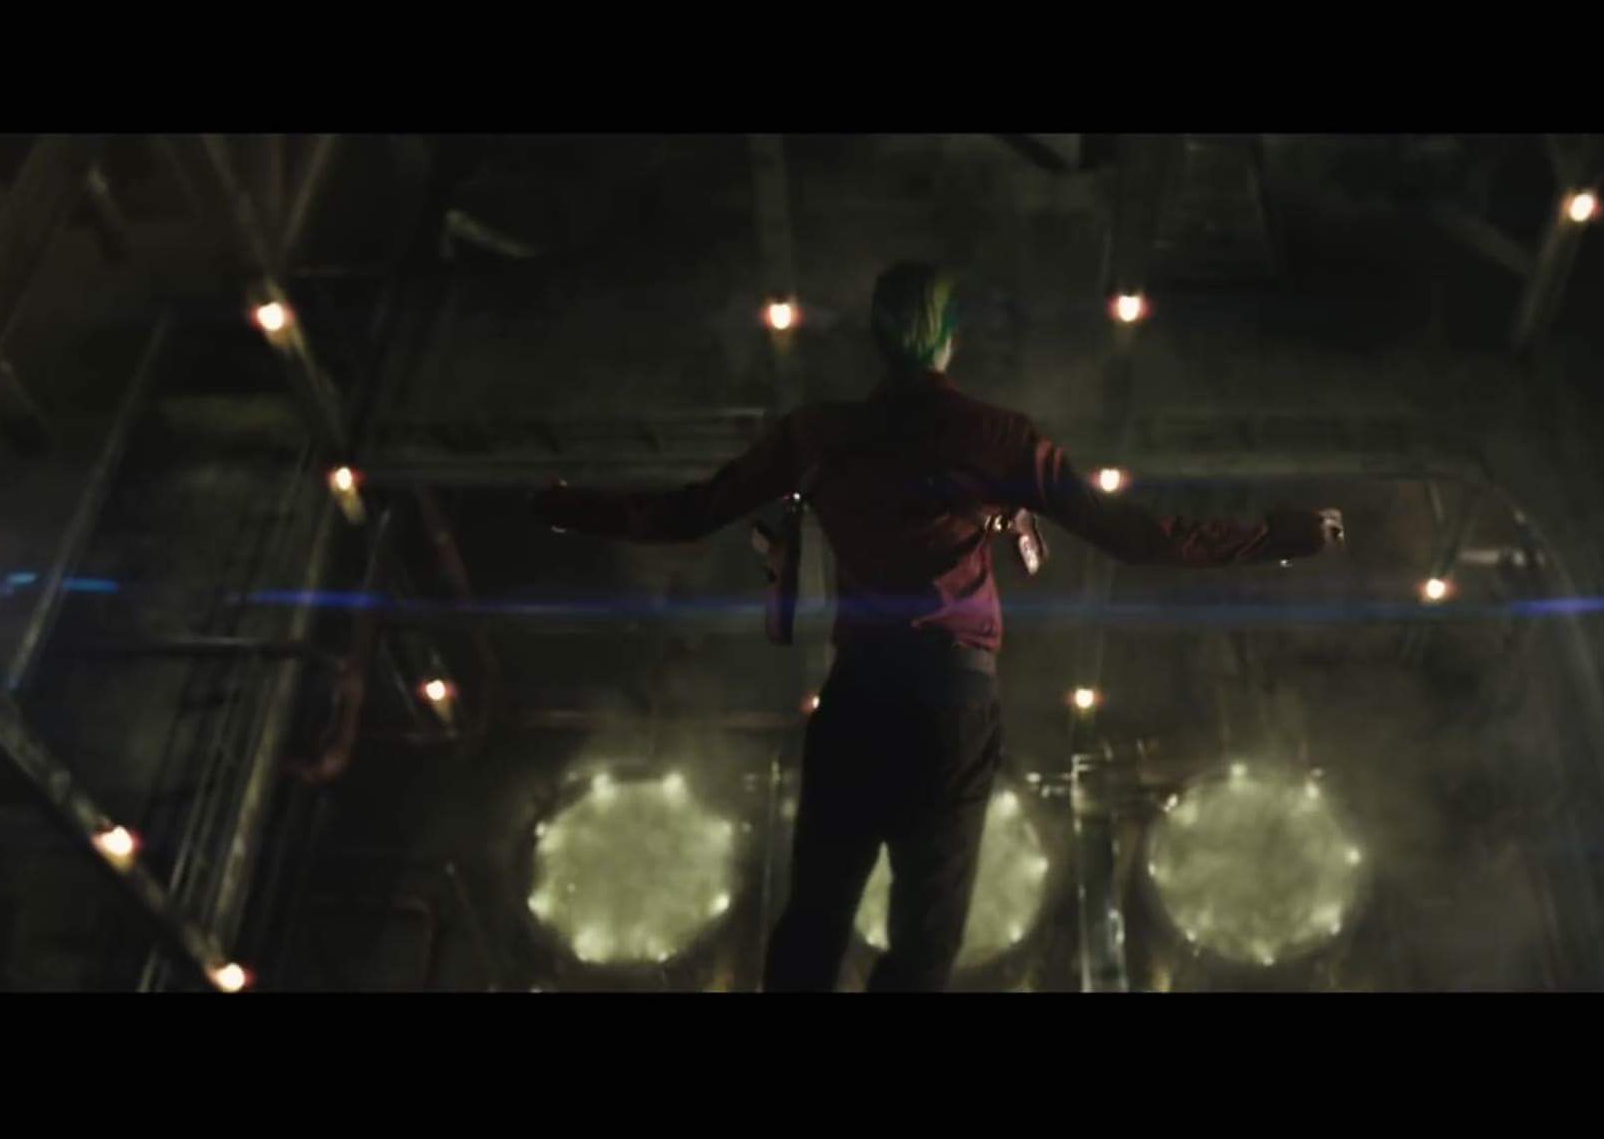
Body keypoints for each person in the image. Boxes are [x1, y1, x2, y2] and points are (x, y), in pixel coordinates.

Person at [532, 263, 1345, 991]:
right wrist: (1276, 536)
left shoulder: (819, 435)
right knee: (926, 937)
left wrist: (570, 508)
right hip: (950, 701)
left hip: (858, 697)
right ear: (951, 339)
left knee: (815, 917)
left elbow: (686, 513)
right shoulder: (998, 437)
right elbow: (1139, 537)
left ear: (877, 338)